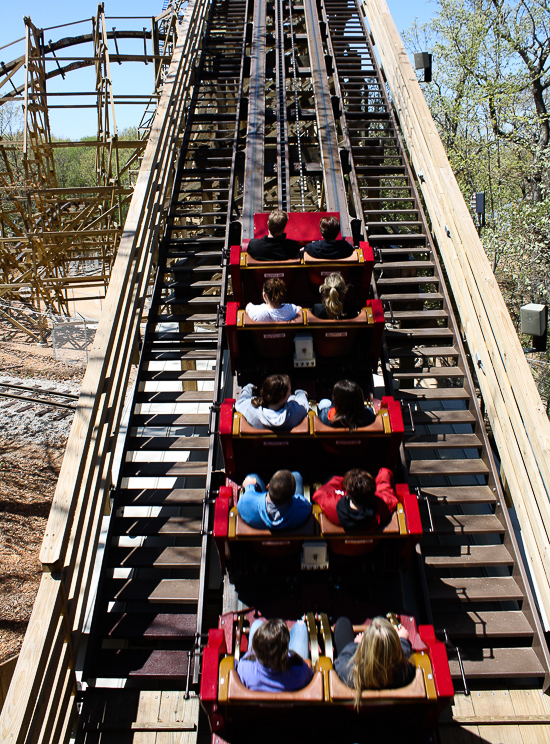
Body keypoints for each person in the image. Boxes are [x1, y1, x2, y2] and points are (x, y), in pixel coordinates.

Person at [333, 616, 415, 706]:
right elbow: (403, 657)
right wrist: (402, 640)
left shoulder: (348, 674)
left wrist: (356, 645)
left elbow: (343, 658)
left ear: (365, 647)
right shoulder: (405, 673)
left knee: (342, 624)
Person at [236, 617, 313, 692]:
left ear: (256, 649)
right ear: (285, 651)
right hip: (292, 678)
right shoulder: (300, 672)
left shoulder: (244, 668)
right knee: (300, 626)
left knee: (256, 624)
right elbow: (310, 676)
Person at [312, 467, 398, 530]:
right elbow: (385, 487)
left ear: (348, 492)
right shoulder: (383, 506)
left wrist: (347, 481)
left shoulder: (332, 505)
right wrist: (384, 471)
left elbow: (320, 493)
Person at [237, 469, 312, 530]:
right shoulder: (303, 509)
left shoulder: (245, 503)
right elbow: (306, 503)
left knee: (252, 476)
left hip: (259, 524)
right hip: (291, 525)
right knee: (296, 475)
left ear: (268, 486)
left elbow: (247, 497)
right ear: (293, 495)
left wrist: (249, 486)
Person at [235, 374, 309, 430]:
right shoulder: (295, 412)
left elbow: (241, 402)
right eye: (289, 392)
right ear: (283, 398)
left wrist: (248, 387)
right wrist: (301, 392)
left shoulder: (250, 410)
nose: (290, 393)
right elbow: (303, 404)